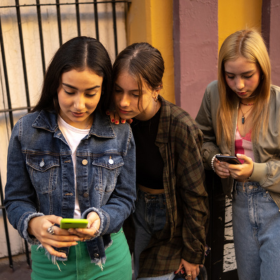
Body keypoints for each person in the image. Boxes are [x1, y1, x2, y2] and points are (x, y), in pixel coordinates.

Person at [4, 36, 136, 280]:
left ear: (103, 89)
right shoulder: (26, 131)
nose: (79, 104)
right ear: (56, 84)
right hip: (50, 263)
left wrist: (101, 219)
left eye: (90, 93)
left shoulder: (120, 131)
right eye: (70, 91)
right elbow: (15, 200)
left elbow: (126, 197)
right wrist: (34, 225)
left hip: (108, 261)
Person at [109, 42, 209, 280]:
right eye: (118, 91)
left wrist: (194, 253)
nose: (123, 102)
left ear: (157, 89)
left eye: (135, 94)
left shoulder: (180, 127)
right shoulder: (116, 121)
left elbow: (195, 197)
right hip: (134, 213)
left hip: (171, 218)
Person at [195, 29, 280, 280]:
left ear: (262, 70)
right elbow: (200, 140)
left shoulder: (278, 102)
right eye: (230, 76)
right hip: (239, 203)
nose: (238, 85)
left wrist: (255, 170)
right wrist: (214, 160)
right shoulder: (215, 94)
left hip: (275, 204)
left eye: (247, 76)